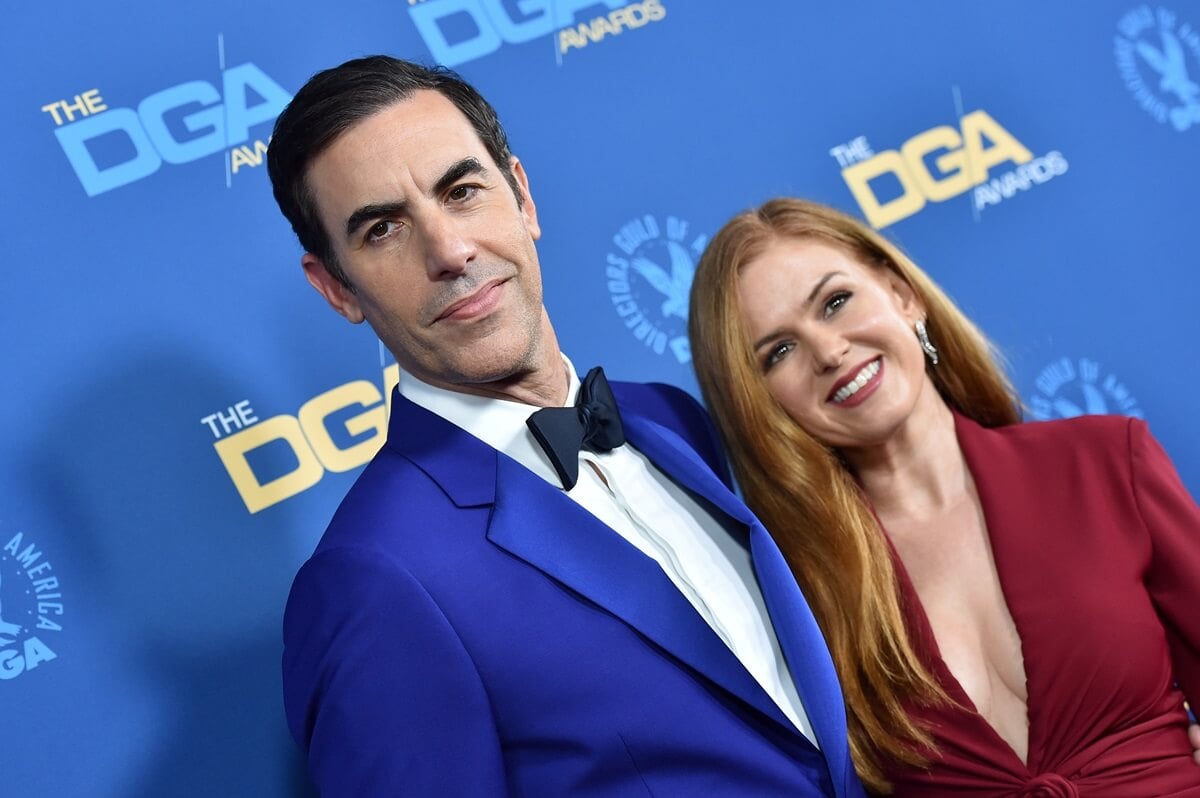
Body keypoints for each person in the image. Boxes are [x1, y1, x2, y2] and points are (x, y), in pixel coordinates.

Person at [266, 57, 866, 797]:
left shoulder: (669, 419)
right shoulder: (375, 580)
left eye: (462, 191)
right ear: (335, 288)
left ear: (523, 196)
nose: (450, 252)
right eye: (383, 229)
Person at [688, 197, 1200, 796]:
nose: (828, 352)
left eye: (835, 303)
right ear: (759, 405)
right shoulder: (797, 597)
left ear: (904, 295)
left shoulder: (1106, 462)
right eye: (779, 352)